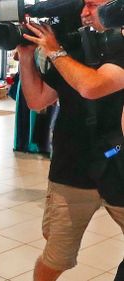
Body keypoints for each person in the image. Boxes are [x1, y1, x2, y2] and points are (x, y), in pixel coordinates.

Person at [16, 0, 124, 280]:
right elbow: (37, 99)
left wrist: (54, 50)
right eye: (83, 5)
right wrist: (27, 57)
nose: (85, 13)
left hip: (118, 165)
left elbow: (92, 86)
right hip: (71, 167)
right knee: (56, 258)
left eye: (93, 5)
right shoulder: (74, 47)